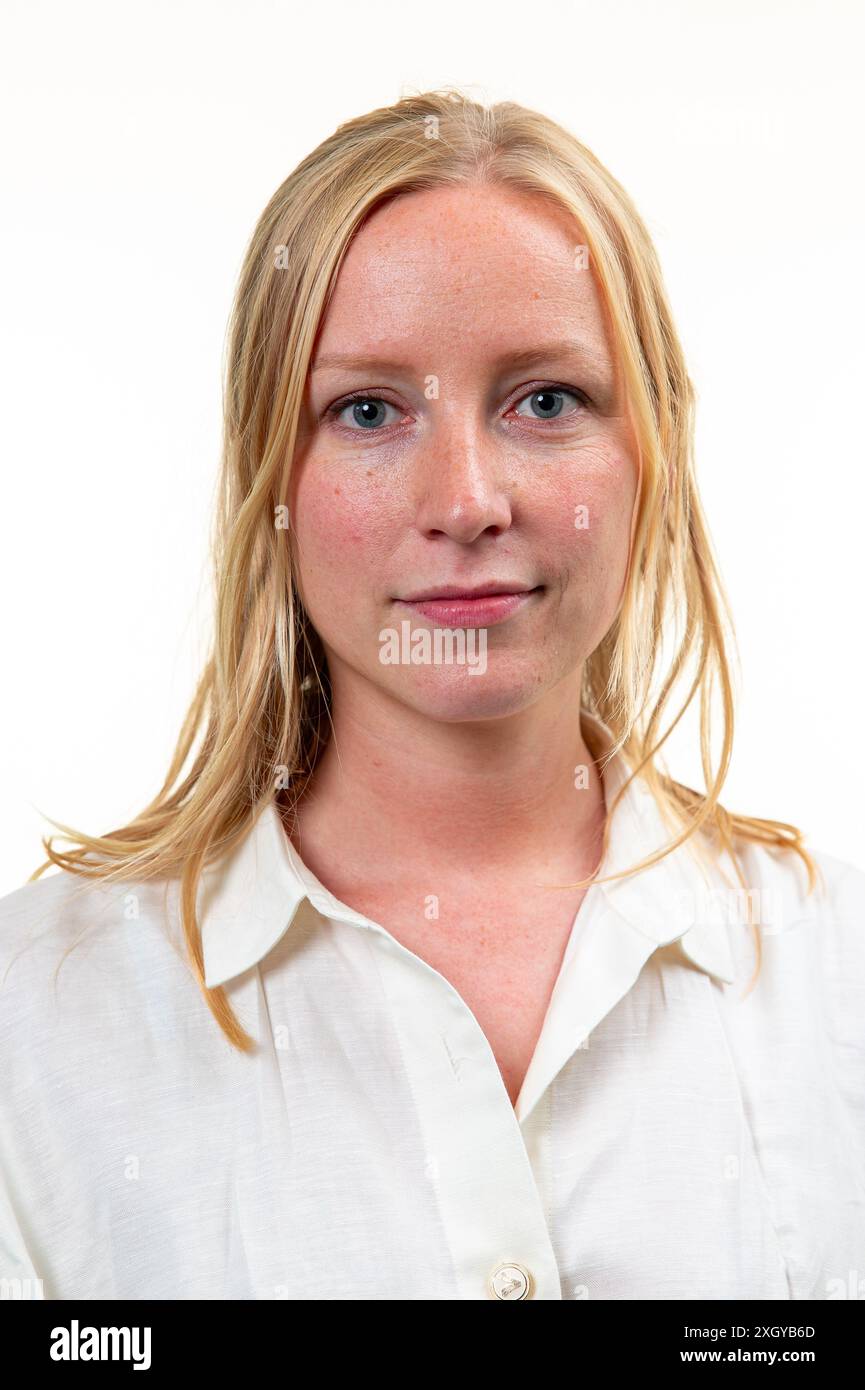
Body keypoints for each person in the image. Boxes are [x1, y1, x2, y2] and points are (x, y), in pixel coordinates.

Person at [1, 89, 863, 1302]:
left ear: (651, 450)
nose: (465, 500)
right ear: (270, 471)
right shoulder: (30, 1028)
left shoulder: (839, 979)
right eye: (368, 410)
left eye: (545, 400)